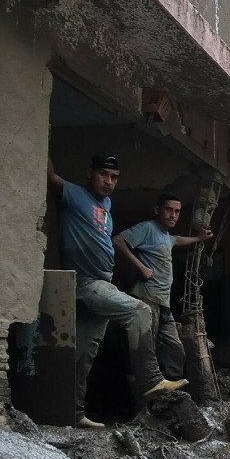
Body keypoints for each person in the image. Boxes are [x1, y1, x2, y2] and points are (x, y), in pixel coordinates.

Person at [48, 156, 186, 429]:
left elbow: (175, 240)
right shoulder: (75, 194)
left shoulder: (106, 205)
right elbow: (51, 178)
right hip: (86, 281)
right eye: (103, 175)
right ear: (90, 173)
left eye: (114, 177)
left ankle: (73, 413)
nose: (108, 182)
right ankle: (151, 380)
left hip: (102, 283)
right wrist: (40, 129)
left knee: (83, 357)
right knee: (139, 311)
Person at [114, 192, 213, 384]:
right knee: (144, 351)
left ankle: (169, 393)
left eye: (177, 211)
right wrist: (141, 266)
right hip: (146, 299)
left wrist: (199, 238)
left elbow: (176, 240)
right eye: (169, 210)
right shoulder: (147, 228)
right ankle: (141, 401)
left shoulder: (166, 236)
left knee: (174, 349)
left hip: (163, 304)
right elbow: (118, 240)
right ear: (158, 210)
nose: (173, 215)